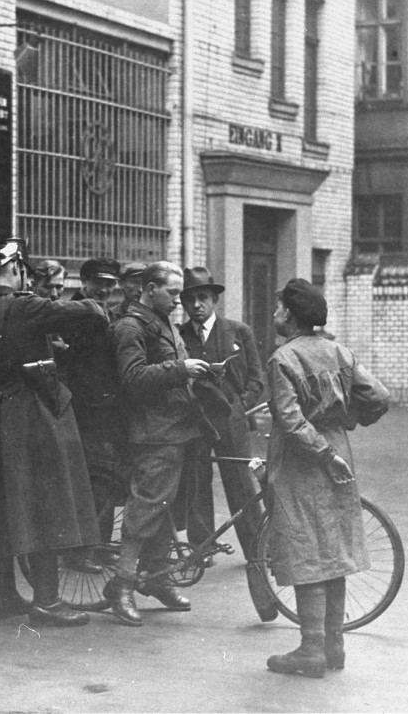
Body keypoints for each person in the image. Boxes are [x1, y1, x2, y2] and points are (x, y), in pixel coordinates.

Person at [0, 238, 108, 627]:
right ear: (17, 270)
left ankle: (5, 594)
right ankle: (47, 600)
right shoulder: (24, 305)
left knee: (4, 508)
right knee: (47, 505)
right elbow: (92, 313)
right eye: (24, 272)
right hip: (37, 414)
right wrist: (91, 302)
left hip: (4, 413)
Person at [264, 278, 389, 678]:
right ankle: (334, 646)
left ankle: (310, 649)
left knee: (305, 549)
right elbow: (379, 397)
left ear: (292, 315)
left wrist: (323, 452)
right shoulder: (339, 350)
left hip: (302, 460)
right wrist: (346, 422)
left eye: (279, 307)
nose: (275, 314)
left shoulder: (283, 358)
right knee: (333, 549)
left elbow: (289, 419)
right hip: (339, 452)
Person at [105, 261, 211, 626]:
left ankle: (159, 578)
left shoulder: (162, 320)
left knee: (164, 505)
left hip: (177, 428)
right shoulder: (131, 327)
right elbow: (132, 377)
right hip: (153, 433)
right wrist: (182, 370)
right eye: (173, 293)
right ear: (150, 289)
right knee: (146, 506)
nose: (179, 300)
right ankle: (122, 586)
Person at [177, 266, 265, 567]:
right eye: (190, 300)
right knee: (197, 480)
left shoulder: (238, 331)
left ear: (214, 299)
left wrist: (241, 405)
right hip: (195, 419)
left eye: (203, 298)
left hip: (231, 419)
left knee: (240, 481)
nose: (196, 305)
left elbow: (257, 378)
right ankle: (202, 548)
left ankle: (257, 547)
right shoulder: (180, 335)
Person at [62, 257, 124, 566]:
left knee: (104, 481)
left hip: (104, 411)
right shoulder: (71, 313)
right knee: (86, 483)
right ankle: (78, 552)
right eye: (99, 282)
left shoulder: (106, 313)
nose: (105, 288)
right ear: (83, 282)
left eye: (111, 283)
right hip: (81, 410)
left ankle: (97, 545)